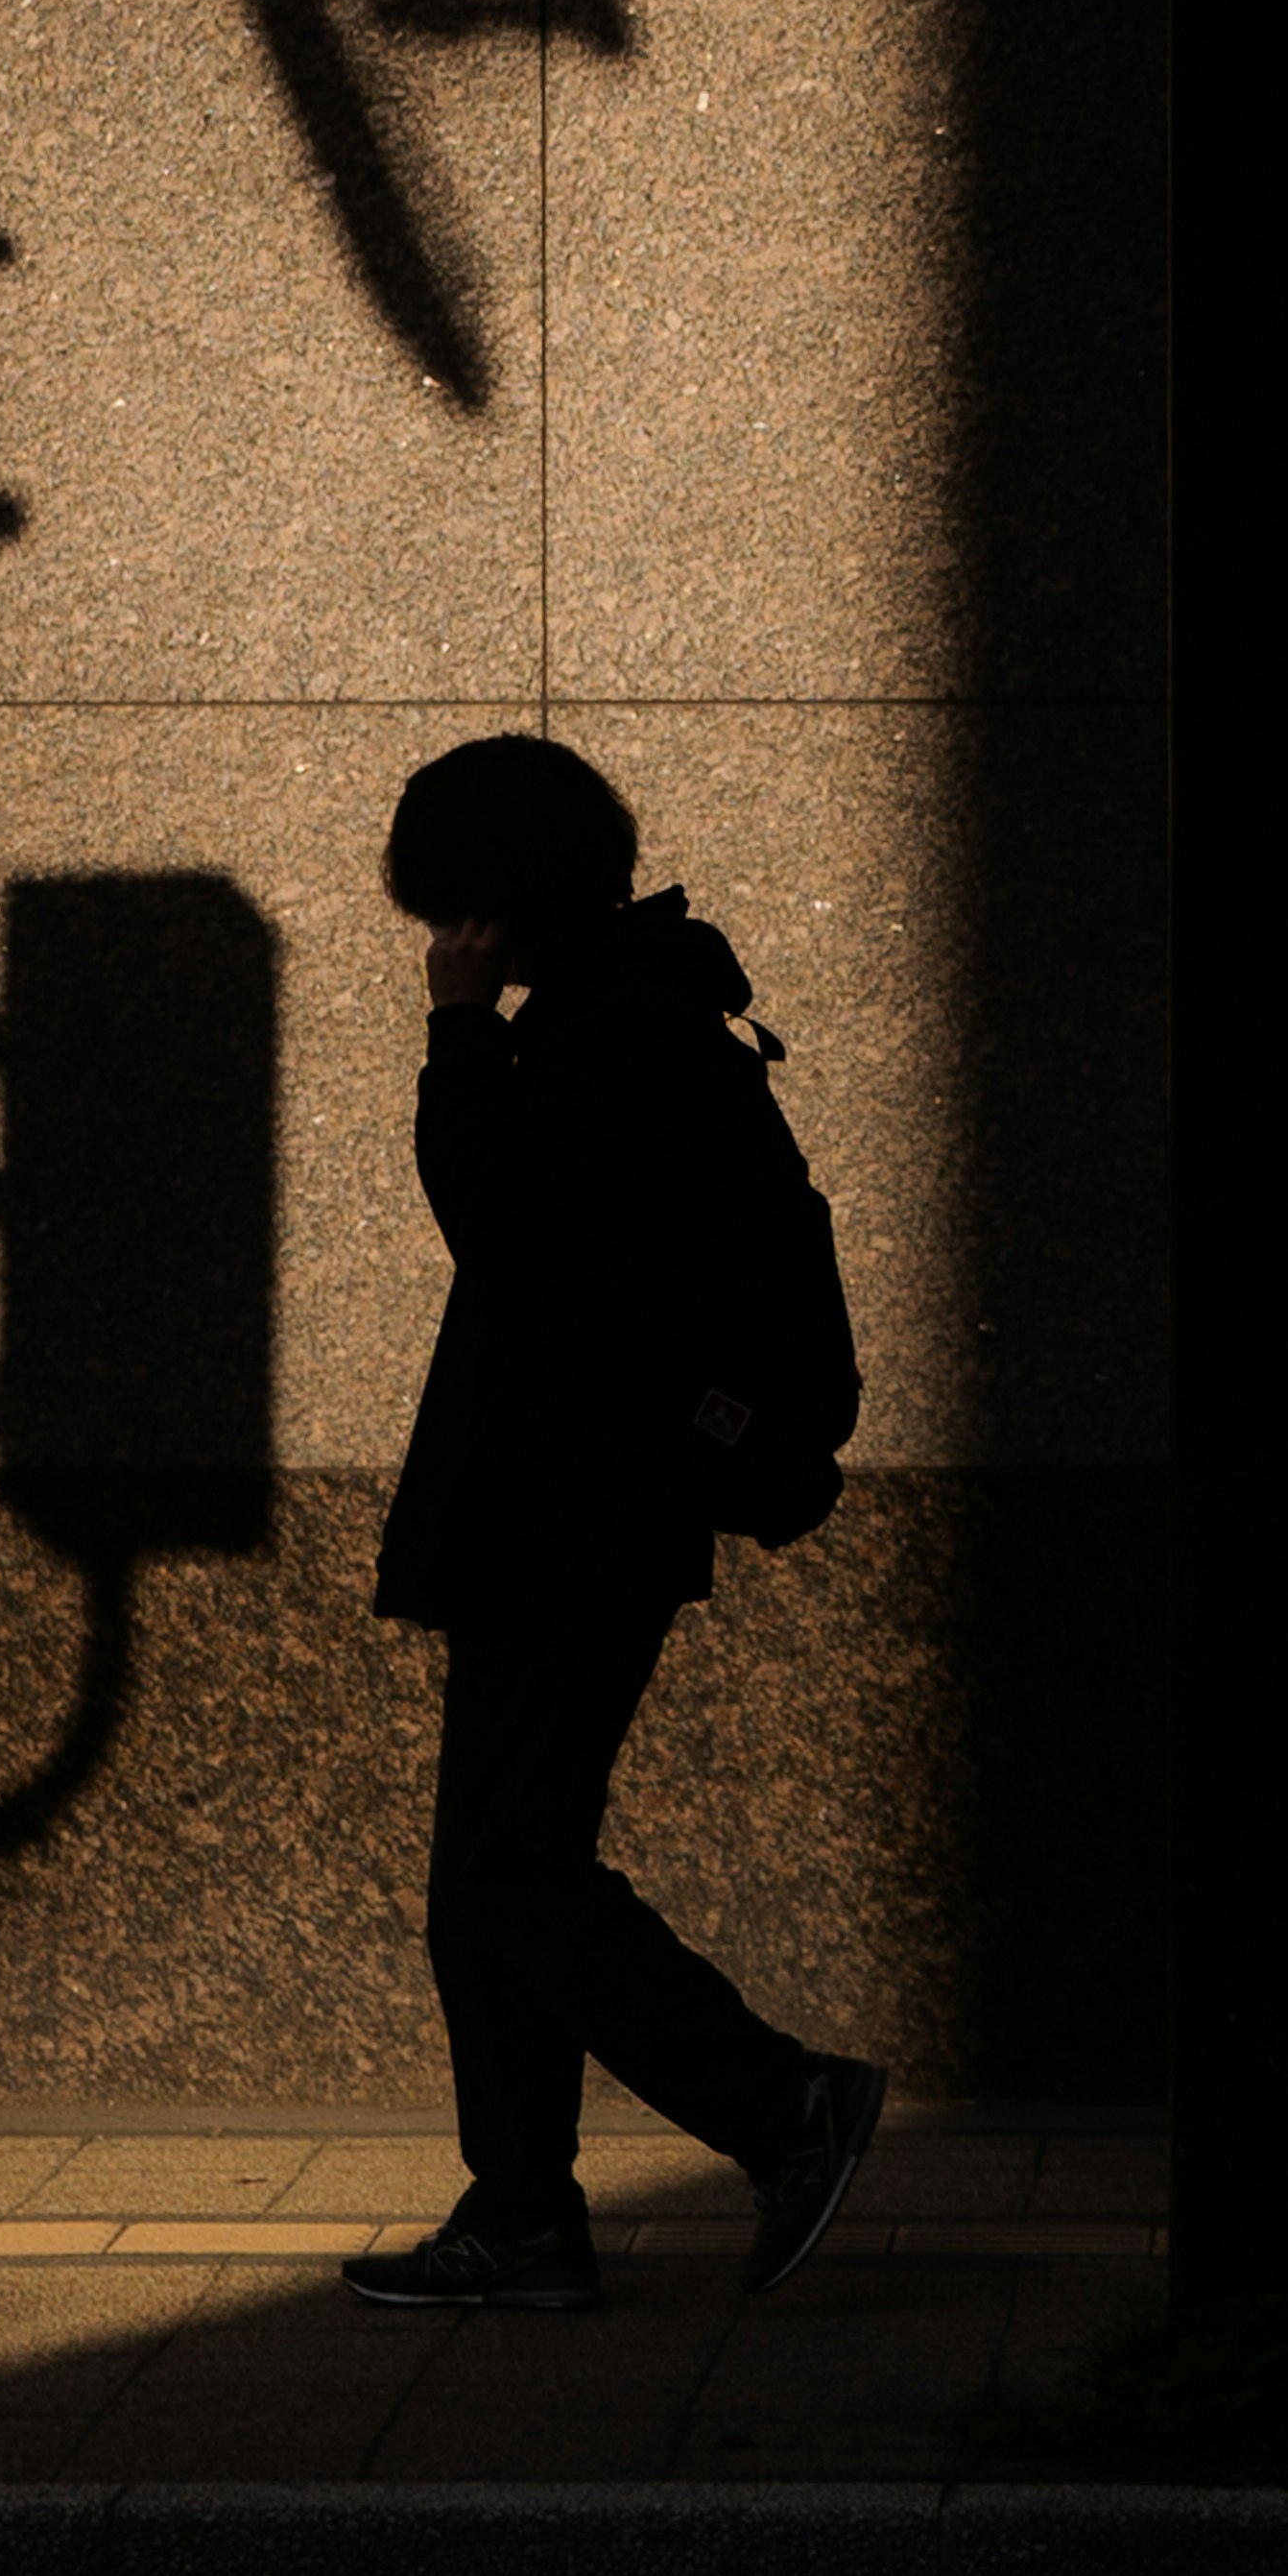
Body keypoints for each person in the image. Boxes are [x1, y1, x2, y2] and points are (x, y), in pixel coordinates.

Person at [346, 729, 888, 2318]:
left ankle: (776, 2102)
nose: (442, 939)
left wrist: (455, 1043)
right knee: (488, 1882)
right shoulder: (619, 1013)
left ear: (495, 899)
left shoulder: (614, 1035)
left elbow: (506, 1237)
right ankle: (519, 2214)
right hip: (565, 1512)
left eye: (451, 907)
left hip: (574, 1519)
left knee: (512, 1872)